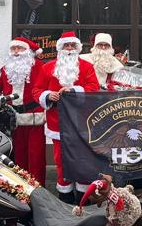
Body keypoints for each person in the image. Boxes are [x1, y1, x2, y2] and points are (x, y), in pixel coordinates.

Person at [32, 31, 100, 202]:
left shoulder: (86, 66)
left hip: (81, 120)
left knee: (82, 157)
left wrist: (74, 91)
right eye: (66, 45)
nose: (69, 48)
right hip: (57, 121)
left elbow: (94, 87)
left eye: (72, 45)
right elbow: (37, 90)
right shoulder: (47, 67)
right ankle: (65, 192)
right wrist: (48, 95)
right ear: (60, 48)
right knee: (60, 159)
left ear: (77, 47)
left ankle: (83, 192)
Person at [0, 37, 46, 184]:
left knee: (36, 155)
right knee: (17, 154)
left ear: (28, 51)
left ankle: (37, 186)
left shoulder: (39, 67)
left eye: (20, 48)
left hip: (34, 116)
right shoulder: (5, 69)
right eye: (13, 49)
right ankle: (20, 186)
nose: (16, 52)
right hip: (13, 118)